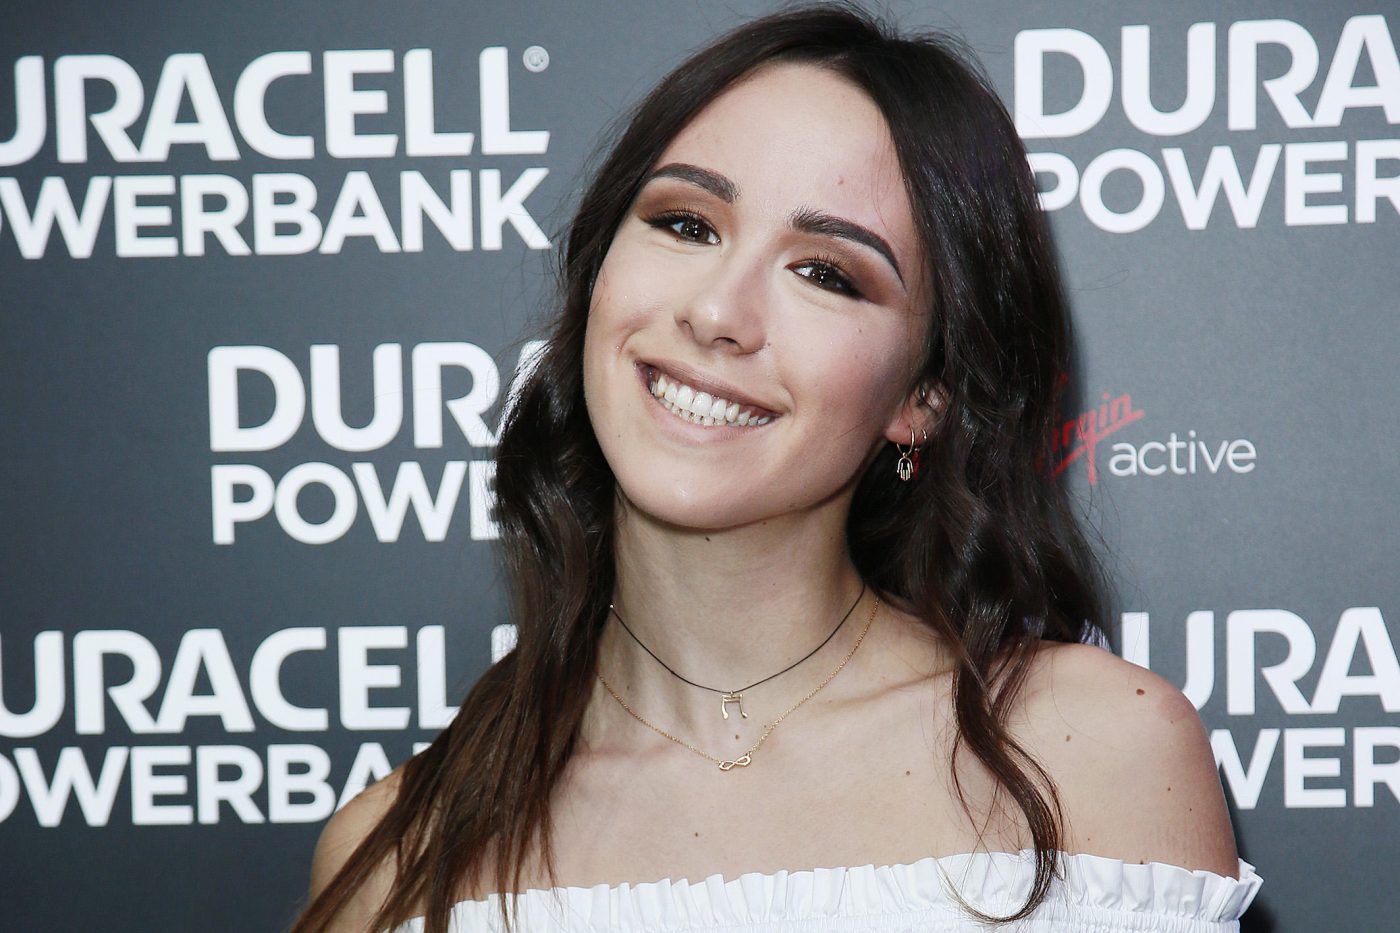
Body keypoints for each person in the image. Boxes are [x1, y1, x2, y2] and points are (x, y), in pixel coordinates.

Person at [292, 3, 1263, 931]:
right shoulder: (395, 859)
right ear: (597, 278)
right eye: (685, 224)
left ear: (922, 396)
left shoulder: (1090, 755)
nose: (719, 312)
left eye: (826, 274)